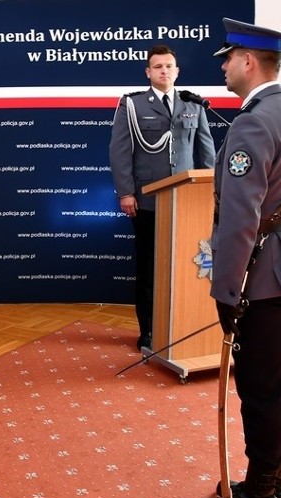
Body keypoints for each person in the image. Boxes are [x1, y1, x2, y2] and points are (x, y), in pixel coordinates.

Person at [197, 19, 281, 498]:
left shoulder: (253, 122)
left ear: (248, 61)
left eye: (228, 58)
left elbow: (239, 218)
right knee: (279, 382)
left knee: (261, 390)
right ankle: (272, 479)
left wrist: (226, 291)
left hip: (259, 277)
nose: (224, 67)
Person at [109, 44, 216, 350]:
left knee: (185, 266)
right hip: (148, 201)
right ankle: (149, 331)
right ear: (148, 72)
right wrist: (127, 192)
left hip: (186, 202)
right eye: (158, 67)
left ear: (177, 71)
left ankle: (181, 325)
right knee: (148, 269)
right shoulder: (132, 105)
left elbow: (205, 150)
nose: (164, 71)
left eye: (169, 66)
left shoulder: (192, 103)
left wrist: (209, 191)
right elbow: (119, 152)